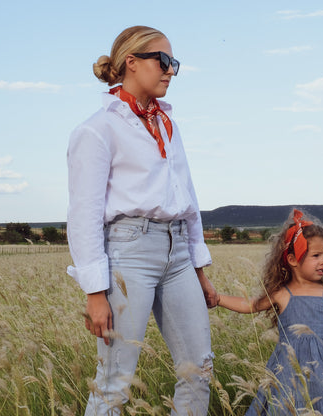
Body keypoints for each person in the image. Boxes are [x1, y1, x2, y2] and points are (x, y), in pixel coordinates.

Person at [66, 25, 217, 415]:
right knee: (114, 383)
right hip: (127, 253)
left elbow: (188, 199)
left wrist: (200, 270)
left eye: (174, 63)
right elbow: (83, 215)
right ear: (131, 62)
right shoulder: (97, 130)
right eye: (163, 60)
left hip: (179, 252)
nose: (170, 70)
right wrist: (95, 293)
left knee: (199, 369)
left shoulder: (168, 124)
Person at [217, 209, 323, 415]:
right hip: (288, 367)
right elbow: (251, 305)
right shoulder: (282, 293)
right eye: (316, 255)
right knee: (285, 405)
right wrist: (218, 298)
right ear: (292, 259)